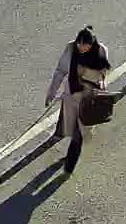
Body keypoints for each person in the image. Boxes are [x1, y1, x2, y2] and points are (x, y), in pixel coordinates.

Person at [45, 27, 111, 174]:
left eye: (84, 45)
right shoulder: (70, 48)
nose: (81, 48)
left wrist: (100, 92)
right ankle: (68, 154)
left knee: (79, 134)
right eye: (79, 44)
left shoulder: (101, 51)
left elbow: (103, 76)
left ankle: (69, 167)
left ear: (91, 44)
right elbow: (60, 71)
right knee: (71, 127)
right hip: (71, 97)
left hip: (88, 99)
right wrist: (51, 92)